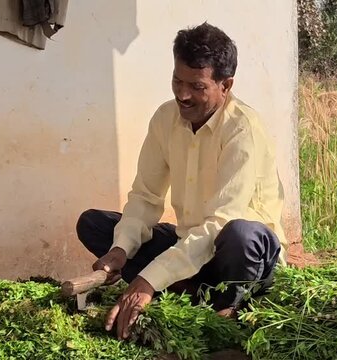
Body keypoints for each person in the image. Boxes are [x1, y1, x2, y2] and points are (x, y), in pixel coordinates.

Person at [75, 22, 287, 340]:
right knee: (94, 225)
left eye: (197, 87)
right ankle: (191, 290)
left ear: (225, 85)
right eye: (177, 80)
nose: (183, 95)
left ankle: (227, 305)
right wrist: (120, 250)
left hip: (241, 259)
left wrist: (147, 280)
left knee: (242, 234)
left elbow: (220, 224)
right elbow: (145, 197)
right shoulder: (165, 119)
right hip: (190, 246)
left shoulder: (243, 131)